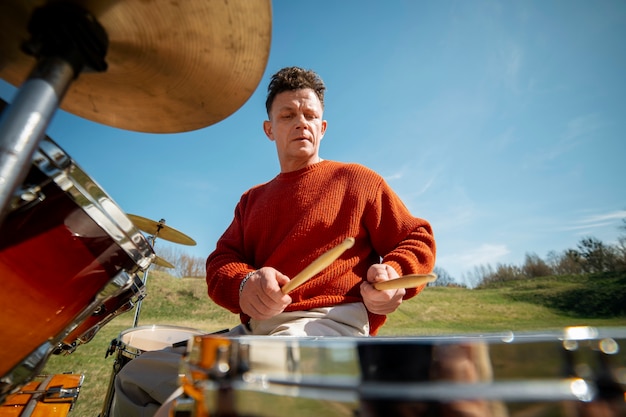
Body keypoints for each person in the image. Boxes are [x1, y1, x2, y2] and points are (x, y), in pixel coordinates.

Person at [112, 66, 436, 416]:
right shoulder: (251, 200)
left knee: (196, 403)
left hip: (324, 327)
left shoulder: (358, 180)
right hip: (252, 332)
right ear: (270, 129)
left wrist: (394, 273)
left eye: (311, 115)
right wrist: (245, 284)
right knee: (135, 377)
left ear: (322, 128)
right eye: (288, 115)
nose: (302, 122)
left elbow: (415, 237)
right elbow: (221, 262)